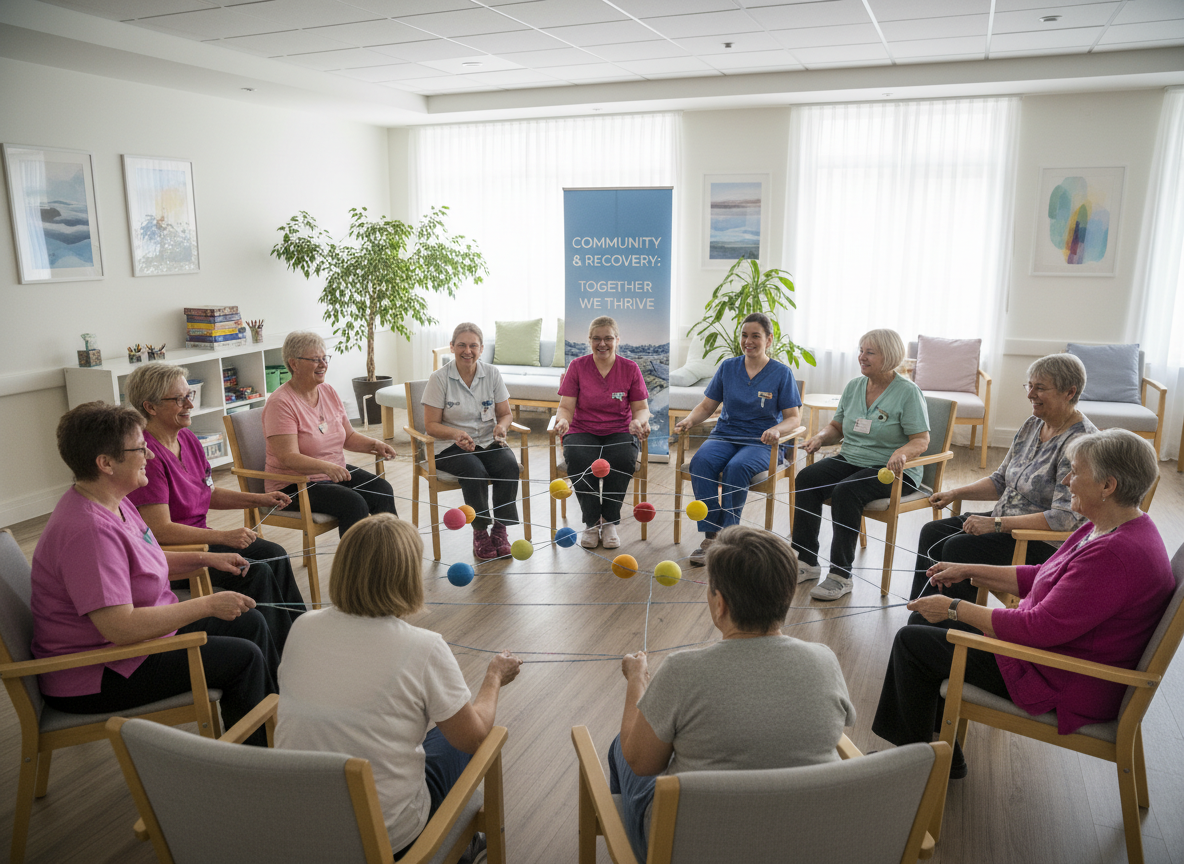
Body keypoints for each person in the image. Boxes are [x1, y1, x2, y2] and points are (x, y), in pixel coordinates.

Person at [873, 429, 1173, 779]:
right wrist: (968, 570)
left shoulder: (1114, 555)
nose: (1066, 480)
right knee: (932, 632)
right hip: (1055, 657)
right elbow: (1042, 573)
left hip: (1062, 678)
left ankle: (912, 767)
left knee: (914, 643)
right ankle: (938, 750)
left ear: (1108, 486)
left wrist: (954, 607)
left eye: (1075, 473)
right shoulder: (1109, 525)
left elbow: (1036, 629)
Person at [276, 514, 523, 860]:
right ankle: (460, 846)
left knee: (428, 729)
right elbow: (475, 737)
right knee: (459, 736)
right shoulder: (424, 646)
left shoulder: (302, 625)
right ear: (408, 577)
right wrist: (494, 676)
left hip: (298, 827)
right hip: (388, 838)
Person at [30, 402, 277, 745]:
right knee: (243, 659)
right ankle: (254, 765)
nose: (149, 454)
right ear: (105, 464)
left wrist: (206, 560)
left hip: (138, 644)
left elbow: (144, 558)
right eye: (139, 448)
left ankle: (277, 721)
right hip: (97, 672)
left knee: (250, 622)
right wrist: (208, 604)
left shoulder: (114, 498)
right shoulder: (87, 532)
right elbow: (120, 627)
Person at [608, 525, 856, 863]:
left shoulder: (682, 670)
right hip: (805, 840)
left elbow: (642, 763)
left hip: (692, 848)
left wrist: (637, 678)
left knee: (621, 749)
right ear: (787, 596)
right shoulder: (825, 660)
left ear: (719, 602)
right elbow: (837, 725)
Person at [125, 362, 306, 652]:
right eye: (179, 399)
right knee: (257, 569)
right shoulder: (147, 455)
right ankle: (278, 650)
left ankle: (298, 638)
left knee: (274, 554)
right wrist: (223, 537)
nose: (188, 405)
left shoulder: (187, 438)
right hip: (177, 556)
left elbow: (207, 493)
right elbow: (161, 531)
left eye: (189, 396)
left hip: (202, 541)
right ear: (151, 407)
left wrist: (258, 499)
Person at [911, 353, 1098, 601]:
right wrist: (956, 493)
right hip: (1005, 523)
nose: (1030, 394)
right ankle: (923, 613)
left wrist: (996, 524)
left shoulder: (1081, 443)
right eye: (1029, 386)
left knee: (957, 549)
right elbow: (1001, 480)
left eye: (1040, 388)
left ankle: (957, 631)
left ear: (1069, 392)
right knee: (933, 532)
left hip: (1042, 543)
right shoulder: (1033, 424)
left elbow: (1064, 518)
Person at [792, 329, 930, 601]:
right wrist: (820, 437)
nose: (861, 357)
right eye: (861, 350)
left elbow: (921, 440)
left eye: (870, 352)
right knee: (807, 478)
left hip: (891, 471)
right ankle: (806, 561)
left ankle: (840, 576)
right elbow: (837, 427)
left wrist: (902, 453)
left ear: (888, 356)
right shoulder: (854, 386)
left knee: (846, 491)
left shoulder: (908, 393)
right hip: (852, 458)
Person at [673, 313, 802, 566]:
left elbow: (794, 419)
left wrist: (777, 430)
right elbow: (707, 406)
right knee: (701, 462)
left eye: (756, 336)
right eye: (744, 335)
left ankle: (728, 538)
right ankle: (711, 536)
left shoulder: (781, 373)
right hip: (725, 434)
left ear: (769, 340)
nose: (748, 341)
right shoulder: (728, 367)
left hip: (762, 441)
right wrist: (689, 420)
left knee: (737, 467)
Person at [262, 331, 398, 537]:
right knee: (353, 503)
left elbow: (349, 437)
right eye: (315, 360)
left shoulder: (328, 391)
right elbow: (287, 457)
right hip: (293, 486)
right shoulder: (280, 403)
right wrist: (327, 467)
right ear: (294, 364)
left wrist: (374, 444)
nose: (323, 364)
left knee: (382, 489)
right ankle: (355, 568)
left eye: (325, 358)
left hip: (331, 473)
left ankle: (391, 556)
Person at [423, 323, 522, 561]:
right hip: (450, 447)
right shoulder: (439, 378)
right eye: (462, 345)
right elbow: (431, 425)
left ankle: (500, 529)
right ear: (452, 347)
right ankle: (480, 531)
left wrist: (502, 426)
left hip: (487, 441)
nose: (467, 351)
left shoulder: (492, 373)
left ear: (481, 348)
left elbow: (506, 414)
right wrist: (455, 434)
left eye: (473, 345)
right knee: (474, 470)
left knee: (509, 465)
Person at [554, 316, 650, 550]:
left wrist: (639, 422)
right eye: (596, 339)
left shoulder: (629, 368)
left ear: (617, 340)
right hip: (582, 429)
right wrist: (563, 421)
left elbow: (642, 409)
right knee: (578, 458)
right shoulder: (577, 366)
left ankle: (608, 522)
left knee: (622, 459)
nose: (602, 344)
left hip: (619, 430)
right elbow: (566, 407)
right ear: (589, 340)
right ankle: (591, 522)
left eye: (608, 338)